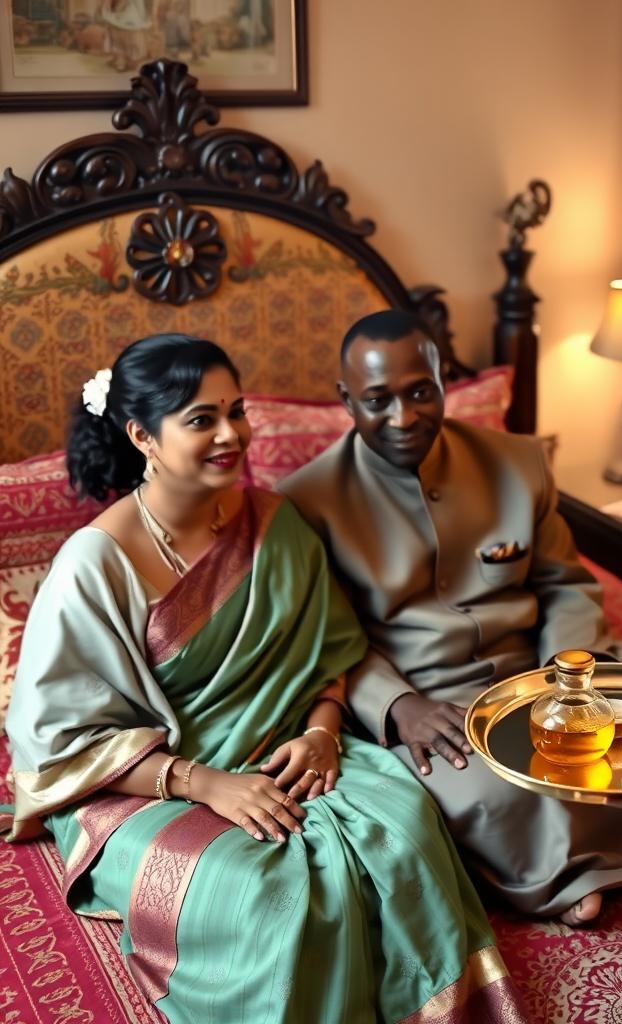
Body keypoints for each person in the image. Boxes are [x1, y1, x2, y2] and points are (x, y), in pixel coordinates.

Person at [2, 334, 525, 1024]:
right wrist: (208, 784)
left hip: (289, 746)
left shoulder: (275, 523)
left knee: (403, 832)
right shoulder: (95, 563)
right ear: (141, 436)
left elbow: (329, 652)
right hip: (150, 784)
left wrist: (322, 733)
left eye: (236, 411)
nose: (231, 435)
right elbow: (59, 742)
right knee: (263, 893)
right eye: (201, 420)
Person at [279, 309, 622, 926]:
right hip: (433, 694)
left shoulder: (518, 461)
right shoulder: (305, 501)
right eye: (378, 401)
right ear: (346, 400)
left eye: (420, 392)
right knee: (487, 791)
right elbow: (331, 638)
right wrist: (400, 707)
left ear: (442, 380)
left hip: (543, 666)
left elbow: (565, 581)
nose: (402, 417)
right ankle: (598, 869)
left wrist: (567, 672)